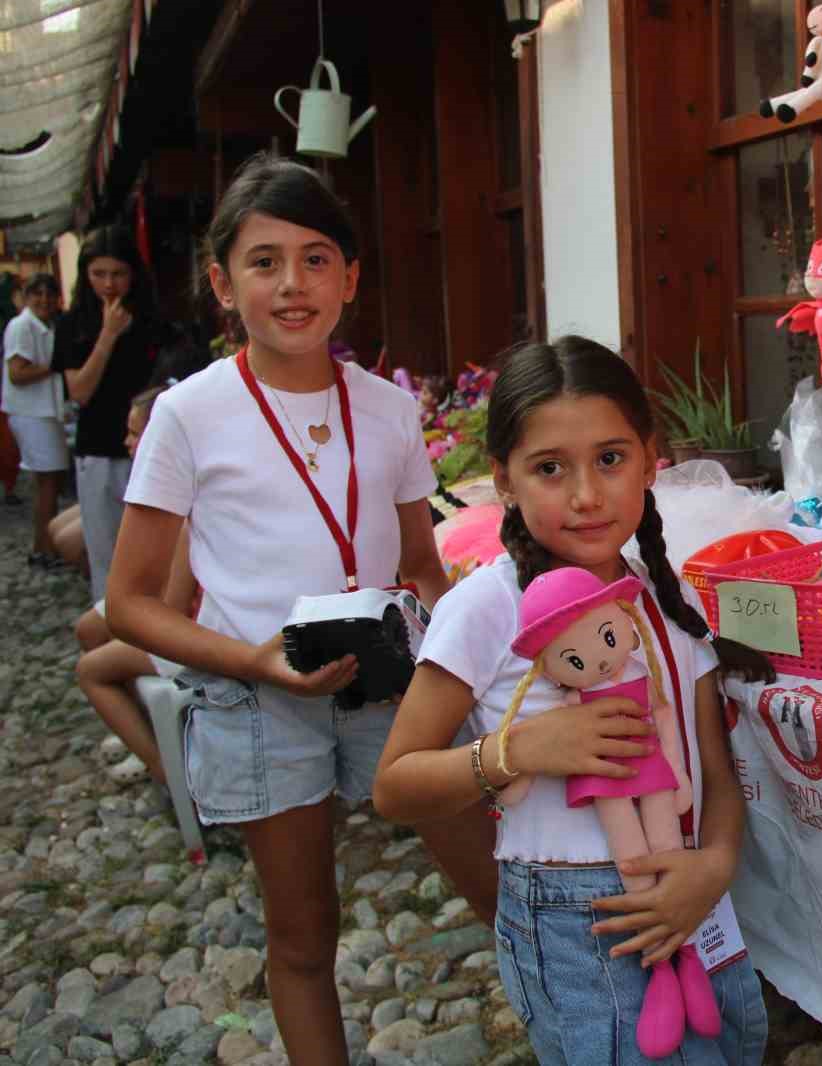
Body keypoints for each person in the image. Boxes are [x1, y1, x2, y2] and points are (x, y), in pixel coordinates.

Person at [106, 154, 498, 1066]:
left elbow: (419, 566)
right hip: (258, 699)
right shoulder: (188, 415)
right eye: (264, 261)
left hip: (389, 682)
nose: (293, 284)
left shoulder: (388, 409)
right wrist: (252, 660)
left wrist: (465, 661)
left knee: (496, 882)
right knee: (303, 935)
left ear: (350, 278)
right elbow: (128, 603)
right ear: (222, 284)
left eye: (316, 259)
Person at [373, 336, 774, 1066]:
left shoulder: (665, 600)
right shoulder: (488, 607)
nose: (586, 495)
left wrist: (715, 865)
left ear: (651, 460)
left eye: (610, 459)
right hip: (581, 922)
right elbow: (397, 785)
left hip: (689, 896)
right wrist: (519, 751)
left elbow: (714, 770)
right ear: (505, 479)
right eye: (550, 468)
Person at [79, 383, 195, 785]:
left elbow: (174, 609)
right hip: (162, 599)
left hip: (195, 626)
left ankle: (163, 766)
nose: (126, 443)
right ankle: (144, 727)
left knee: (92, 669)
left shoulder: (181, 499)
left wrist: (133, 612)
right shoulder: (152, 483)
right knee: (90, 628)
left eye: (134, 433)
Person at [54, 229, 167, 600]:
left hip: (149, 447)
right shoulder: (72, 324)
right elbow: (80, 391)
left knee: (154, 556)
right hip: (100, 449)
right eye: (98, 274)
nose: (108, 284)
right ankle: (109, 622)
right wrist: (107, 335)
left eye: (117, 273)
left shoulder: (152, 319)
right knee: (106, 554)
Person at [3, 274, 66, 567]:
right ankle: (45, 550)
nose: (44, 300)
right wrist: (55, 366)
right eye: (37, 294)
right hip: (32, 414)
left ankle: (44, 546)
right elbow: (17, 374)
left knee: (48, 483)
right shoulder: (21, 326)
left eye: (49, 294)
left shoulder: (46, 325)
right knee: (47, 484)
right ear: (27, 297)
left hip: (43, 412)